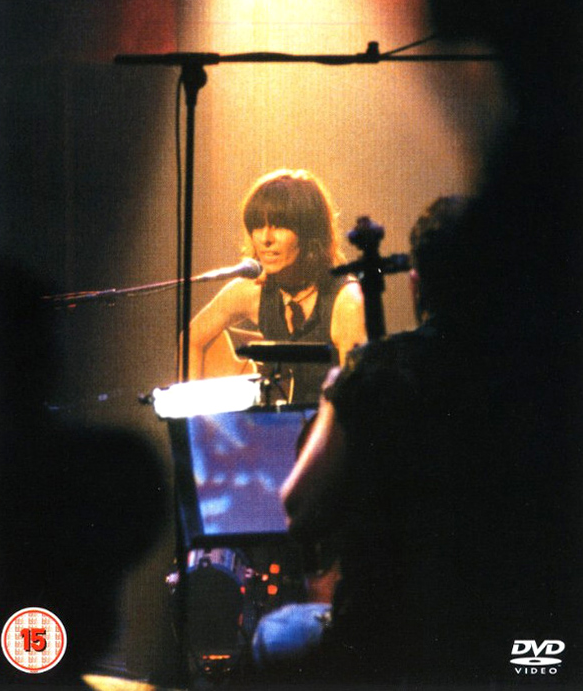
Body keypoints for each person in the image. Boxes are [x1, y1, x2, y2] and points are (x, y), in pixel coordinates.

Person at [251, 195, 507, 685]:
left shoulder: (380, 371)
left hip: (387, 637)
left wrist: (338, 391)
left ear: (416, 282)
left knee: (276, 631)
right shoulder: (546, 376)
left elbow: (301, 513)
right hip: (513, 639)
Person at [188, 169, 366, 404]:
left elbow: (357, 402)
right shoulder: (252, 291)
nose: (265, 239)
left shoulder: (347, 302)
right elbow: (191, 340)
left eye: (279, 226)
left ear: (309, 232)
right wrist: (195, 415)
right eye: (257, 226)